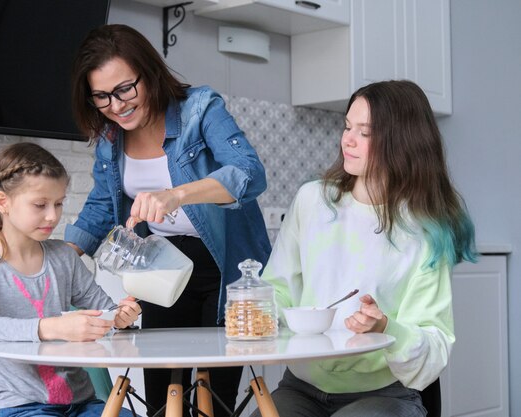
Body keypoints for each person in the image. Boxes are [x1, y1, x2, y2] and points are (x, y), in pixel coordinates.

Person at [64, 24, 272, 417]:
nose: (117, 105)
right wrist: (56, 255)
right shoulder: (112, 138)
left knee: (215, 397)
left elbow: (249, 172)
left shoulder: (200, 108)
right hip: (161, 268)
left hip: (225, 265)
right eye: (102, 97)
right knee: (164, 395)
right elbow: (100, 208)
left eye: (125, 89)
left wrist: (177, 194)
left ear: (149, 72)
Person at [252, 80, 477, 417]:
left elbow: (435, 343)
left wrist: (386, 327)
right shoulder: (312, 201)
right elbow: (279, 289)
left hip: (383, 395)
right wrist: (256, 310)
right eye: (347, 126)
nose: (348, 140)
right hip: (299, 389)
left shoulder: (426, 231)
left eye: (365, 132)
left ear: (401, 142)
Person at [0, 142, 142, 417]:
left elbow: (105, 309)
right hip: (19, 407)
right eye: (40, 205)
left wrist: (120, 318)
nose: (53, 216)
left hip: (82, 404)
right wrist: (50, 327)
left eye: (58, 203)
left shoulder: (63, 257)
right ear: (3, 203)